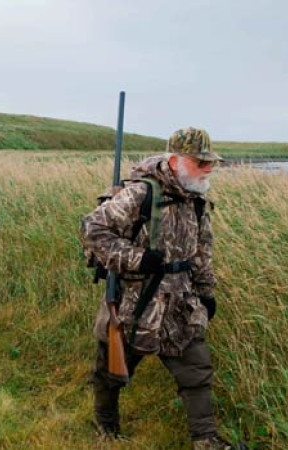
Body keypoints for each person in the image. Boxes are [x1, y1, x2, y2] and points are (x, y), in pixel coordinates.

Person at [82, 127, 243, 449]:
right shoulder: (140, 194)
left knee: (196, 371)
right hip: (136, 302)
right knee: (111, 371)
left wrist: (206, 292)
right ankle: (107, 427)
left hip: (182, 302)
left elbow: (202, 251)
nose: (208, 168)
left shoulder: (196, 200)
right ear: (175, 160)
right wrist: (137, 259)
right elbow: (93, 231)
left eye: (210, 162)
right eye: (201, 162)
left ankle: (206, 440)